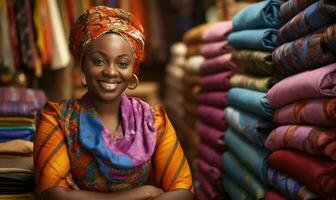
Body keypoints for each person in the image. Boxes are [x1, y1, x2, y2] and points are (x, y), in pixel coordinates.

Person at [34, 6, 194, 200]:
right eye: (99, 61)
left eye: (122, 64)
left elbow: (183, 191)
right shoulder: (57, 120)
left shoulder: (153, 121)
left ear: (132, 71)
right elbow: (52, 194)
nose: (111, 71)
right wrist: (143, 194)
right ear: (83, 66)